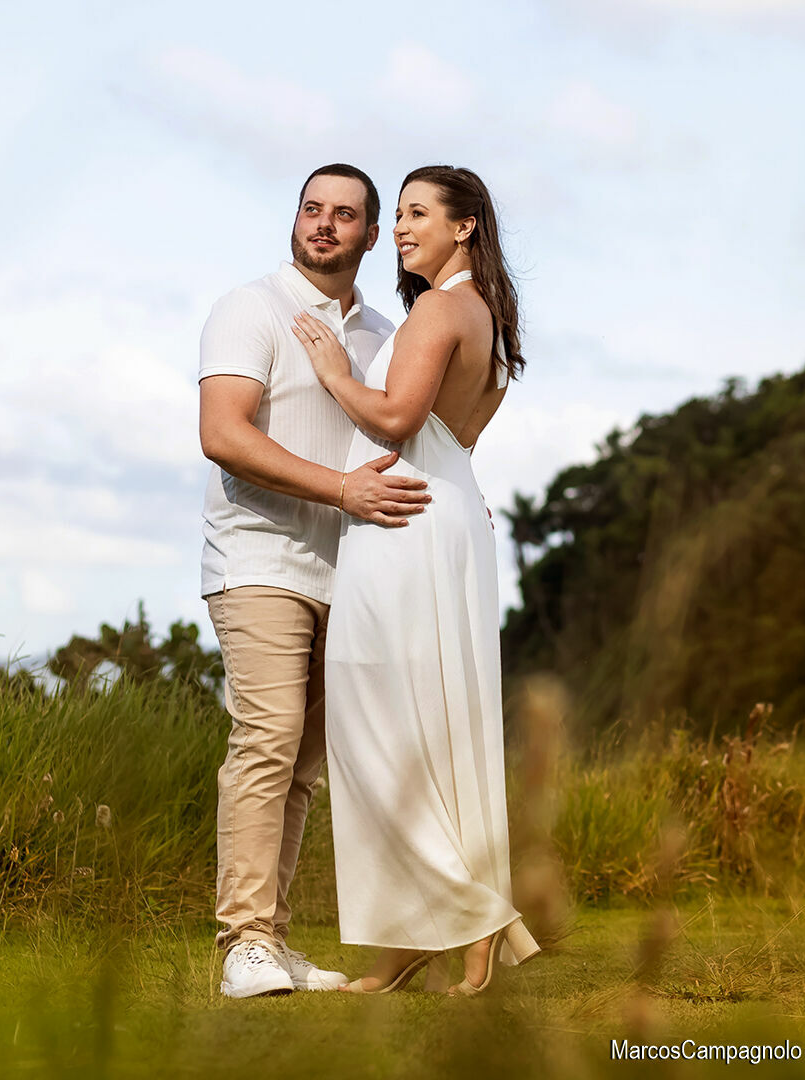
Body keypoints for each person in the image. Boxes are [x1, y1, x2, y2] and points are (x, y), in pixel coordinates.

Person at [292, 165, 541, 995]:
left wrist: (333, 369)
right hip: (452, 519)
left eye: (416, 214)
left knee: (383, 727)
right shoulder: (491, 317)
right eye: (395, 215)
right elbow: (457, 442)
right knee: (440, 723)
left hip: (402, 526)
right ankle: (430, 936)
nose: (398, 229)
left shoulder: (437, 308)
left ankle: (467, 916)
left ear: (464, 226)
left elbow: (398, 421)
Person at [198, 164, 432, 998]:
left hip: (351, 576)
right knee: (265, 743)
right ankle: (243, 944)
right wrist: (340, 491)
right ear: (294, 218)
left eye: (345, 215)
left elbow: (398, 442)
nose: (324, 225)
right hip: (258, 559)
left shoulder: (379, 335)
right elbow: (222, 435)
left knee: (302, 767)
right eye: (311, 209)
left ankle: (275, 942)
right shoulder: (249, 307)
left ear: (372, 236)